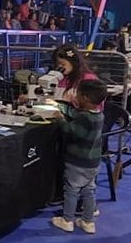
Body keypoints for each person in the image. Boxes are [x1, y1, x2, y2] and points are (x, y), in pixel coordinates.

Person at [51, 79, 107, 234]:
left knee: (71, 190)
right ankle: (88, 222)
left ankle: (67, 220)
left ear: (85, 98)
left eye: (79, 94)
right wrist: (62, 107)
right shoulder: (98, 115)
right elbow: (77, 114)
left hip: (77, 162)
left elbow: (70, 131)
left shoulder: (84, 118)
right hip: (93, 163)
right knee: (89, 191)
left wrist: (60, 119)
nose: (76, 97)